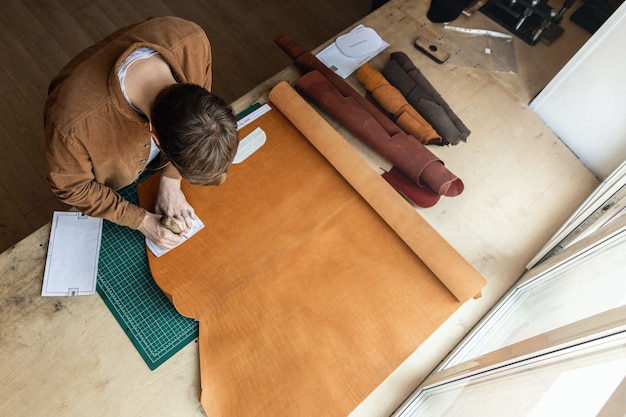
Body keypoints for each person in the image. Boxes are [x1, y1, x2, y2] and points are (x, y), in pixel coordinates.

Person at [44, 16, 239, 250]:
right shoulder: (72, 125)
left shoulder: (192, 41)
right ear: (154, 137)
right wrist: (141, 221)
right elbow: (73, 188)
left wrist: (171, 180)